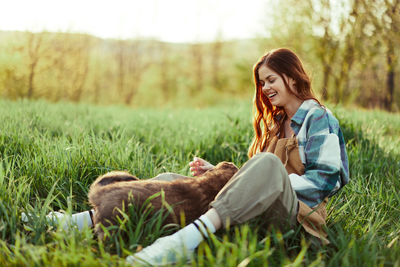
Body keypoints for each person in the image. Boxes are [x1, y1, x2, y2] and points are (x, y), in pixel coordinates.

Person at [22, 48, 349, 265]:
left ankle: (181, 244)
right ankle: (84, 222)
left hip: (296, 219)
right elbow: (256, 177)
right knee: (168, 181)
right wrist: (219, 174)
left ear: (292, 77)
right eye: (261, 82)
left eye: (271, 80)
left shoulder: (318, 119)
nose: (264, 88)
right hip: (260, 209)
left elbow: (325, 180)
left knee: (264, 165)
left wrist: (260, 179)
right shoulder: (276, 124)